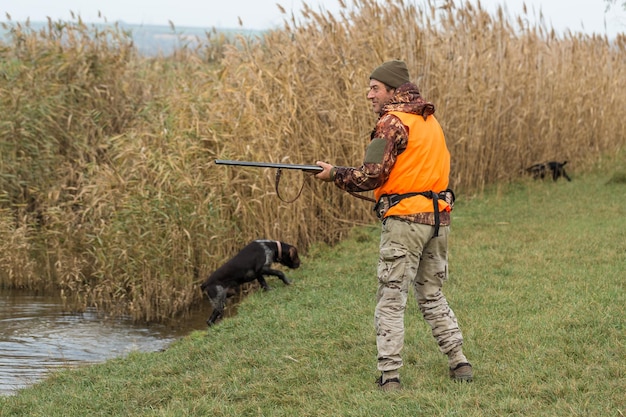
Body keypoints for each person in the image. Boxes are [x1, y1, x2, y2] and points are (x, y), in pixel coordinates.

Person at [314, 60, 472, 391]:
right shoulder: (430, 121)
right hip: (438, 219)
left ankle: (390, 377)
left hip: (405, 224)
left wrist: (334, 174)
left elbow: (372, 174)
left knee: (391, 296)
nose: (368, 94)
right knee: (431, 293)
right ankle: (459, 362)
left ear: (391, 91)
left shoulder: (391, 122)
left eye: (374, 88)